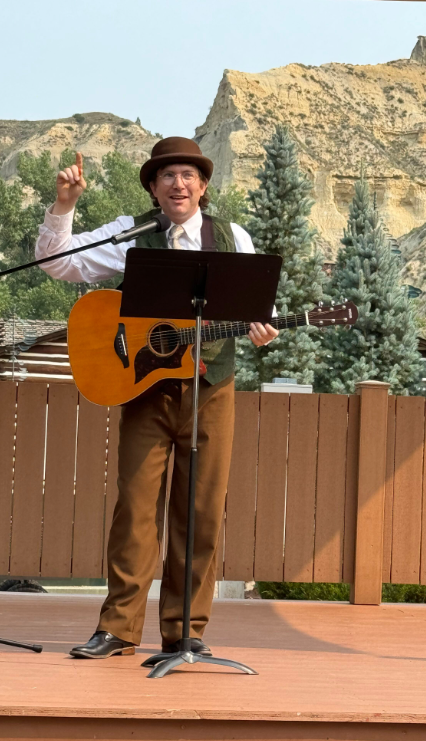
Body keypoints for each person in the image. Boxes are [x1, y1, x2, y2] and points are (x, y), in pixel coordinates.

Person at [35, 137, 278, 658]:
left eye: (188, 175)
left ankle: (185, 631)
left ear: (204, 186)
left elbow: (257, 307)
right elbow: (57, 264)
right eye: (167, 175)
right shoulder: (133, 233)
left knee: (201, 513)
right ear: (153, 186)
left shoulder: (234, 236)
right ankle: (118, 628)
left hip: (212, 390)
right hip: (143, 386)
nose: (179, 183)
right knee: (135, 512)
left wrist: (262, 328)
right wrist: (65, 205)